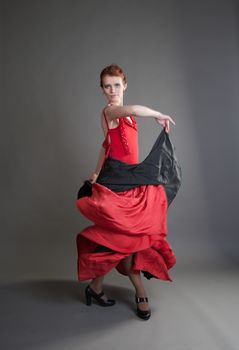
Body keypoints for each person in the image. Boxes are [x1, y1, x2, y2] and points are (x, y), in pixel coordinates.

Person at [76, 63, 177, 320]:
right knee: (126, 239)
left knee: (122, 239)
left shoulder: (126, 116)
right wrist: (158, 113)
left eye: (116, 85)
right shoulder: (112, 111)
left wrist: (96, 171)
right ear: (102, 90)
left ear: (125, 85)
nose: (112, 90)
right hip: (117, 183)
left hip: (131, 181)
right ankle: (139, 291)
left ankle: (96, 287)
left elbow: (105, 144)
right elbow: (131, 109)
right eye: (107, 86)